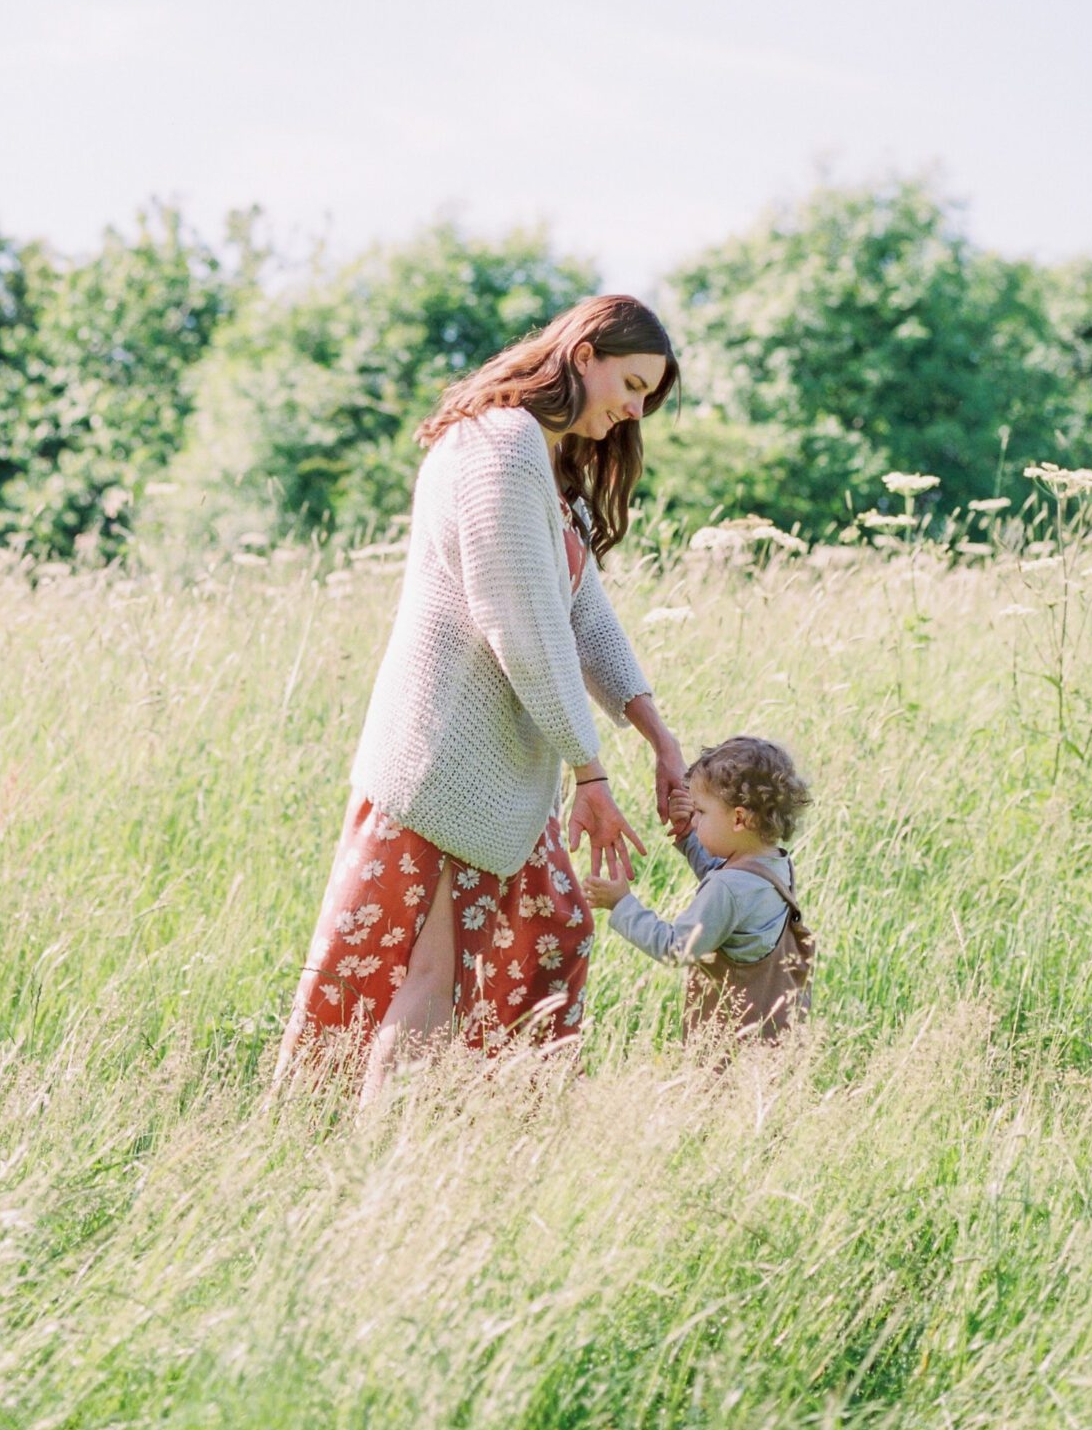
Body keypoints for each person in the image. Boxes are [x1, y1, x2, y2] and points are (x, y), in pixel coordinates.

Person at [278, 294, 692, 1100]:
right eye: (632, 384)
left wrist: (659, 739)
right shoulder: (498, 452)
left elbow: (585, 618)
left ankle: (486, 1142)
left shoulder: (543, 459)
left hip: (504, 782)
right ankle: (386, 1170)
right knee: (428, 974)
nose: (635, 410)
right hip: (446, 768)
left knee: (551, 935)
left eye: (649, 396)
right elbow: (525, 632)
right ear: (584, 356)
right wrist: (592, 774)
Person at [584, 735, 814, 1042]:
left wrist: (622, 903)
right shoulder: (774, 864)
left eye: (702, 812)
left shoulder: (728, 888)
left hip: (726, 1044)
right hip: (767, 1038)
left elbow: (676, 948)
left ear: (738, 818)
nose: (696, 818)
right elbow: (725, 880)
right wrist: (690, 837)